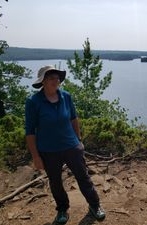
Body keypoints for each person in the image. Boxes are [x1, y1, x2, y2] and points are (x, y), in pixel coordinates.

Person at [25, 65, 105, 224]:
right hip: (48, 150)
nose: (56, 81)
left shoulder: (66, 96)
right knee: (55, 182)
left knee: (83, 177)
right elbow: (30, 131)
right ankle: (62, 209)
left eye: (57, 78)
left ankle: (95, 206)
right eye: (51, 78)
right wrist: (36, 157)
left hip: (71, 147)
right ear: (43, 82)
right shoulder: (33, 102)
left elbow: (73, 119)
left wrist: (79, 141)